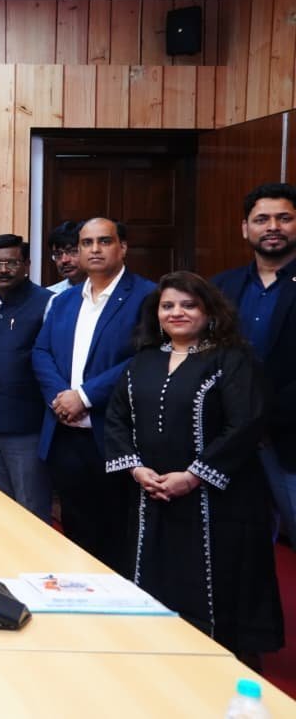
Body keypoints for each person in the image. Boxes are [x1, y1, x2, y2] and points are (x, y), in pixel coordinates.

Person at [105, 271, 283, 661]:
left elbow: (246, 423)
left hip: (220, 504)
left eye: (189, 305)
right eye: (168, 305)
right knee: (154, 583)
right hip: (152, 496)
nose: (177, 313)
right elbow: (116, 419)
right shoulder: (143, 361)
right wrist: (135, 469)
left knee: (218, 593)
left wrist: (193, 476)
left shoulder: (233, 358)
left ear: (209, 311)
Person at [32, 217, 157, 570]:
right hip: (65, 435)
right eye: (87, 243)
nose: (95, 249)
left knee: (117, 537)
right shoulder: (65, 300)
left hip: (114, 436)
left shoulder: (147, 296)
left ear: (123, 247)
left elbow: (145, 356)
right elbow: (41, 352)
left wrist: (85, 396)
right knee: (75, 531)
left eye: (104, 241)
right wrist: (61, 396)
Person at [213, 182, 296, 545]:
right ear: (245, 228)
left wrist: (262, 416)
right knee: (240, 545)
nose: (273, 227)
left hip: (289, 438)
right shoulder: (222, 287)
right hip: (232, 440)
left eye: (284, 218)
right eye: (262, 219)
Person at [0, 234, 54, 522]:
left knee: (31, 510)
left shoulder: (48, 304)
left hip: (28, 429)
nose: (3, 269)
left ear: (26, 265)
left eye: (12, 263)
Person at [46, 220, 82, 295]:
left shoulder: (105, 291)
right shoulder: (51, 295)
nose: (64, 260)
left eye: (72, 251)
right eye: (58, 254)